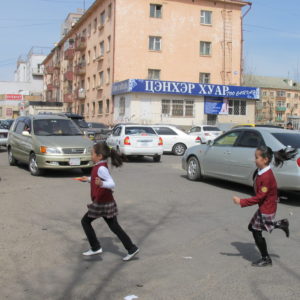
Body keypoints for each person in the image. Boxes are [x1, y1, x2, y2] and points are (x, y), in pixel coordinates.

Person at [232, 145, 297, 267]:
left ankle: (266, 258)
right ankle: (281, 224)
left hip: (267, 208)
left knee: (256, 230)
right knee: (253, 228)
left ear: (265, 160)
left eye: (257, 157)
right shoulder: (262, 171)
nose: (254, 160)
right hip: (266, 206)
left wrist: (241, 201)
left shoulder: (266, 176)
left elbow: (259, 197)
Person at [80, 142, 139, 261]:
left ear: (99, 156)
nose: (91, 155)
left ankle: (95, 247)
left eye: (92, 153)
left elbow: (112, 183)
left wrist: (101, 183)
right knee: (114, 226)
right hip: (105, 201)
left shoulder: (101, 168)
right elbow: (98, 179)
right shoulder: (99, 166)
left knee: (85, 222)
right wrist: (88, 179)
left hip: (102, 202)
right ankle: (131, 248)